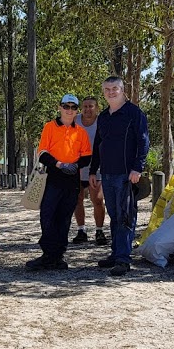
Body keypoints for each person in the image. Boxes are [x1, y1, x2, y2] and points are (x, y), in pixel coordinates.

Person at [88, 76, 150, 276]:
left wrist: (137, 168)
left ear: (123, 90)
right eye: (107, 89)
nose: (111, 92)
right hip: (106, 174)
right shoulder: (104, 117)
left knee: (125, 216)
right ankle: (115, 253)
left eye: (115, 88)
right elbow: (98, 145)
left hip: (126, 174)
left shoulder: (134, 113)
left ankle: (123, 259)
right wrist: (92, 170)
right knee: (114, 215)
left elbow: (143, 142)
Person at [26, 94, 93, 270]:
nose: (69, 110)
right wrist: (59, 164)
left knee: (64, 218)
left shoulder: (81, 132)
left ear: (77, 110)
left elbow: (86, 156)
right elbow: (42, 153)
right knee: (48, 215)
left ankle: (58, 256)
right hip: (53, 178)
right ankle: (48, 254)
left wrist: (75, 166)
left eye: (73, 107)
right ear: (60, 107)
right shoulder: (49, 127)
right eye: (66, 106)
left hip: (72, 181)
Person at [73, 96, 108, 245]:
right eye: (85, 106)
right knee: (77, 199)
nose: (88, 109)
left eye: (91, 106)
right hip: (77, 166)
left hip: (96, 165)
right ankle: (81, 230)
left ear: (97, 108)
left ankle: (99, 230)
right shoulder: (75, 121)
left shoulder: (102, 121)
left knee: (97, 200)